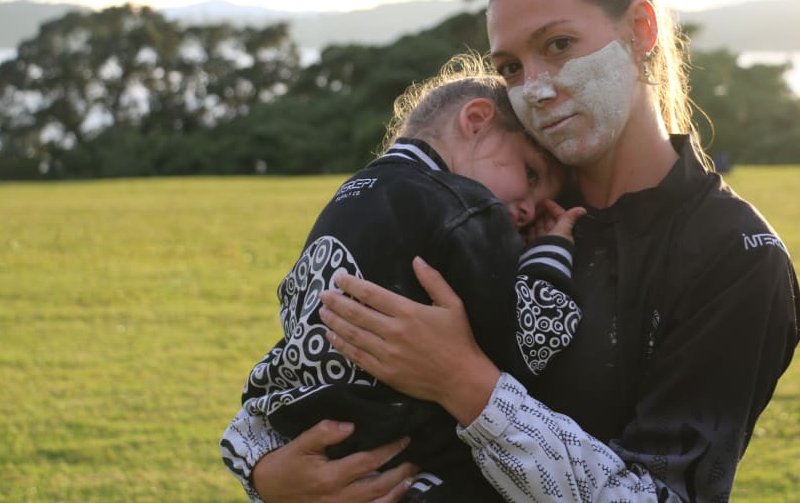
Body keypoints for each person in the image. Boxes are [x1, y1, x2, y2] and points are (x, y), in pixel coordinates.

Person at [248, 0, 800, 503]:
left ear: (640, 30)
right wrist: (270, 475)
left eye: (559, 44)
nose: (535, 88)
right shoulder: (486, 210)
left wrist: (464, 383)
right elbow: (312, 362)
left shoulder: (737, 256)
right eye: (511, 67)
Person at [221, 67, 587, 502]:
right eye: (530, 174)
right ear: (476, 120)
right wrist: (548, 251)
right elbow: (532, 338)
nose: (528, 210)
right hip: (406, 463)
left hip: (317, 439)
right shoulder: (465, 207)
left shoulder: (348, 196)